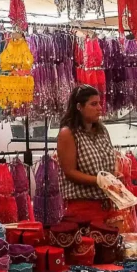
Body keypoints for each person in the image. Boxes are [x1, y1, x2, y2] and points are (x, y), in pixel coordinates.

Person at [57, 84, 117, 226]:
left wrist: (115, 174)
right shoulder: (68, 133)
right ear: (79, 107)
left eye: (99, 103)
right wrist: (100, 181)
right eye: (93, 104)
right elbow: (70, 172)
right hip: (82, 210)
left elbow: (110, 157)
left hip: (108, 206)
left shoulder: (102, 130)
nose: (99, 108)